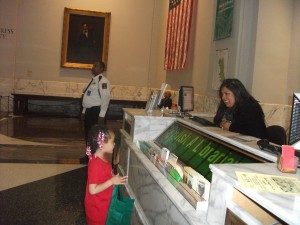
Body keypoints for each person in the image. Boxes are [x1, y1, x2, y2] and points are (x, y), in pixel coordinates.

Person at [84, 124, 128, 225]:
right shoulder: (95, 164)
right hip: (98, 210)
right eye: (112, 141)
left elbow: (103, 176)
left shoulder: (103, 157)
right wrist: (111, 181)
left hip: (104, 204)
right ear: (102, 144)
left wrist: (113, 178)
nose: (114, 144)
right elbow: (93, 190)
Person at [81, 61, 111, 144]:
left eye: (96, 66)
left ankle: (95, 156)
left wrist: (102, 115)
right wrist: (84, 111)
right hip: (89, 111)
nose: (93, 67)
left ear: (101, 69)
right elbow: (87, 96)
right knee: (88, 134)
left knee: (96, 136)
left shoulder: (103, 81)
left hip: (96, 112)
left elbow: (105, 98)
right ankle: (89, 156)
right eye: (93, 65)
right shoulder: (92, 80)